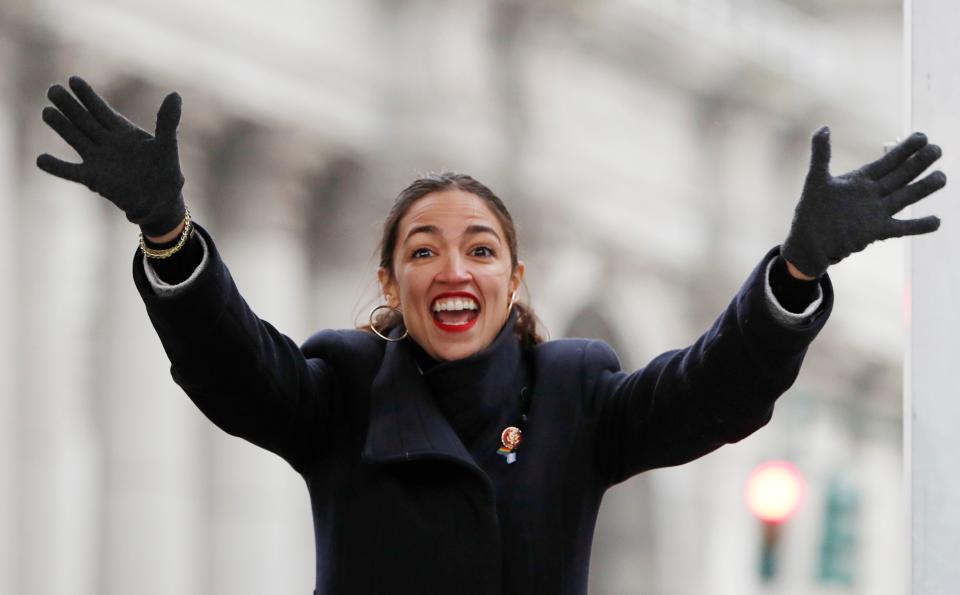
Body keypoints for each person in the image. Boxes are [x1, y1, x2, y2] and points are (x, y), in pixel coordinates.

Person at [36, 76, 946, 595]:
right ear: (391, 281)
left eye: (481, 248)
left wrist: (794, 272)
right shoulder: (344, 387)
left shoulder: (576, 393)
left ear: (515, 282)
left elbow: (708, 389)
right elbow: (235, 363)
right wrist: (168, 234)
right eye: (423, 250)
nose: (454, 270)